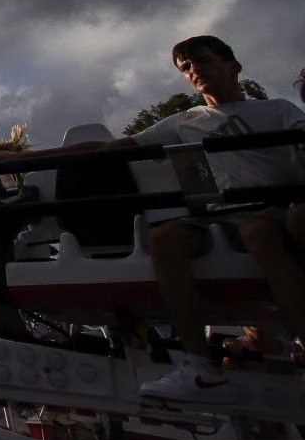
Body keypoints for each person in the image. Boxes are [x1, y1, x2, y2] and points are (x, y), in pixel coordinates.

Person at [116, 36, 305, 404]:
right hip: (219, 217)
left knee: (259, 232)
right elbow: (117, 147)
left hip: (271, 208)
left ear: (232, 66)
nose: (194, 71)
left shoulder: (278, 110)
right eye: (186, 68)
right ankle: (198, 364)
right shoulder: (185, 122)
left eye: (202, 61)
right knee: (165, 239)